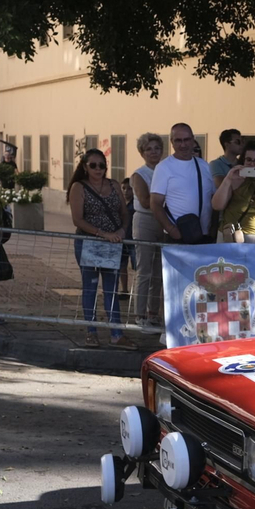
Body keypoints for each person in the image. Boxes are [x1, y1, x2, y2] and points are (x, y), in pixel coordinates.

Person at [69, 148, 130, 347]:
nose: (98, 169)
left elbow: (124, 212)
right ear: (85, 167)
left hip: (113, 243)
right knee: (90, 287)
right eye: (93, 165)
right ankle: (91, 331)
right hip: (89, 242)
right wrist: (103, 234)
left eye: (102, 165)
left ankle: (116, 333)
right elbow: (77, 219)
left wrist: (122, 230)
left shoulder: (113, 185)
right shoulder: (79, 187)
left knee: (111, 289)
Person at [151, 122, 217, 244]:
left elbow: (213, 198)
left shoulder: (203, 165)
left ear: (193, 140)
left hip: (204, 236)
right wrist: (172, 230)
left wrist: (213, 228)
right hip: (179, 236)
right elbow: (155, 203)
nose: (183, 145)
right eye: (178, 141)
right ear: (171, 142)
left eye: (186, 140)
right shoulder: (163, 167)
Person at [127, 132, 167, 326]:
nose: (153, 152)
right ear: (142, 152)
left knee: (159, 270)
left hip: (164, 220)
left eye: (157, 148)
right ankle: (140, 314)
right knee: (144, 269)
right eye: (149, 149)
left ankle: (153, 313)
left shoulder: (166, 170)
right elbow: (144, 201)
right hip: (145, 220)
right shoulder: (139, 174)